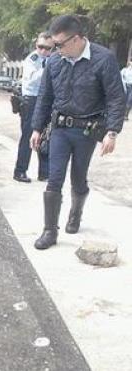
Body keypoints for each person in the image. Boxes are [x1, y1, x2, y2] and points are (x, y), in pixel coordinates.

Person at [30, 15, 126, 250]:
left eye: (60, 44)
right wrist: (36, 128)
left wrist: (112, 132)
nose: (56, 49)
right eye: (54, 45)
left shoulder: (104, 59)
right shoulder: (54, 62)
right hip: (60, 128)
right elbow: (45, 97)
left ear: (78, 39)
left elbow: (116, 97)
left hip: (87, 130)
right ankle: (50, 230)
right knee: (54, 179)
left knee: (78, 177)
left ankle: (75, 213)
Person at [13, 32, 54, 183]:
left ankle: (44, 172)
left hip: (47, 101)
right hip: (31, 100)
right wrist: (48, 69)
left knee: (46, 137)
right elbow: (31, 80)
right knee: (28, 136)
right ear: (36, 45)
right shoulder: (32, 59)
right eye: (40, 47)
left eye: (48, 48)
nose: (43, 51)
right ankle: (20, 170)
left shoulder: (53, 59)